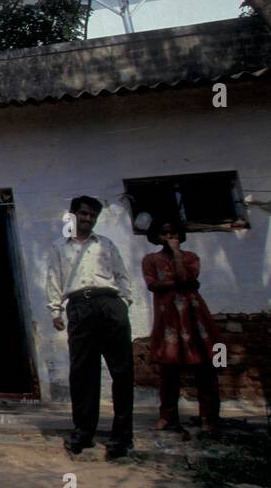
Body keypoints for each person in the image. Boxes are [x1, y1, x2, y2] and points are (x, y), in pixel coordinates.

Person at [45, 196, 137, 460]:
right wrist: (55, 310)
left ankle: (122, 436)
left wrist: (123, 304)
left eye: (92, 216)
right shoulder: (58, 248)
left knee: (121, 370)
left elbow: (122, 275)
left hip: (109, 305)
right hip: (78, 307)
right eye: (83, 214)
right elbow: (53, 278)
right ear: (72, 215)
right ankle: (84, 432)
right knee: (83, 372)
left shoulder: (105, 245)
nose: (87, 219)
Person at [142, 219, 222, 436]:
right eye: (164, 233)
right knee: (168, 372)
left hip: (194, 318)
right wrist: (181, 284)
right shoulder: (150, 260)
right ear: (156, 236)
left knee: (206, 368)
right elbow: (153, 285)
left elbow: (187, 277)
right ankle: (167, 417)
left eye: (174, 233)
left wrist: (177, 256)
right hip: (168, 320)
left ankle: (209, 418)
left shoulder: (190, 257)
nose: (169, 237)